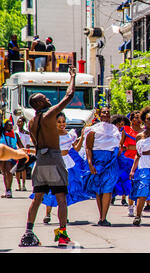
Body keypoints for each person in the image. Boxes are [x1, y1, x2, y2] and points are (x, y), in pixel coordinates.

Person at [19, 66, 76, 247]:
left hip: (40, 161)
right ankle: (62, 234)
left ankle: (28, 232)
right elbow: (69, 96)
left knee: (37, 198)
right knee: (61, 199)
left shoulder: (32, 122)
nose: (48, 99)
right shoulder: (49, 115)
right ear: (39, 104)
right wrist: (72, 77)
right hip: (53, 158)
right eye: (44, 98)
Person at [30, 112, 90, 224]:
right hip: (54, 162)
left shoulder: (70, 135)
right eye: (59, 122)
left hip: (67, 162)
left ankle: (63, 214)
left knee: (65, 190)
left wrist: (82, 136)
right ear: (54, 123)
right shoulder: (50, 135)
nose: (62, 124)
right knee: (50, 189)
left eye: (63, 121)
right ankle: (47, 213)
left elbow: (76, 149)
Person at [84, 106, 122, 226]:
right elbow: (88, 148)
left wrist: (119, 152)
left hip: (111, 161)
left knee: (108, 188)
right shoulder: (93, 130)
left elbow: (118, 145)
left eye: (108, 112)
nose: (106, 114)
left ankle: (104, 217)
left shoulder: (115, 129)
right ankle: (101, 216)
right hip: (97, 161)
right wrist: (90, 164)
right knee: (98, 190)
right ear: (99, 115)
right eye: (104, 112)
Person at [0, 119, 25, 198]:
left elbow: (20, 145)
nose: (11, 126)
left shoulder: (15, 134)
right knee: (4, 172)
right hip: (2, 156)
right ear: (4, 126)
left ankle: (9, 190)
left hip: (11, 155)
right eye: (9, 124)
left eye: (11, 125)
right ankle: (7, 189)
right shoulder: (1, 134)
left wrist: (23, 153)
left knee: (9, 171)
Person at [14, 117, 32, 191]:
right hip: (17, 152)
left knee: (23, 169)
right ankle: (19, 185)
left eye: (21, 122)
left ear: (24, 123)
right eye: (18, 122)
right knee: (17, 170)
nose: (20, 123)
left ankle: (24, 185)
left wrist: (25, 151)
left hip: (24, 152)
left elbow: (28, 143)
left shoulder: (26, 133)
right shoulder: (15, 132)